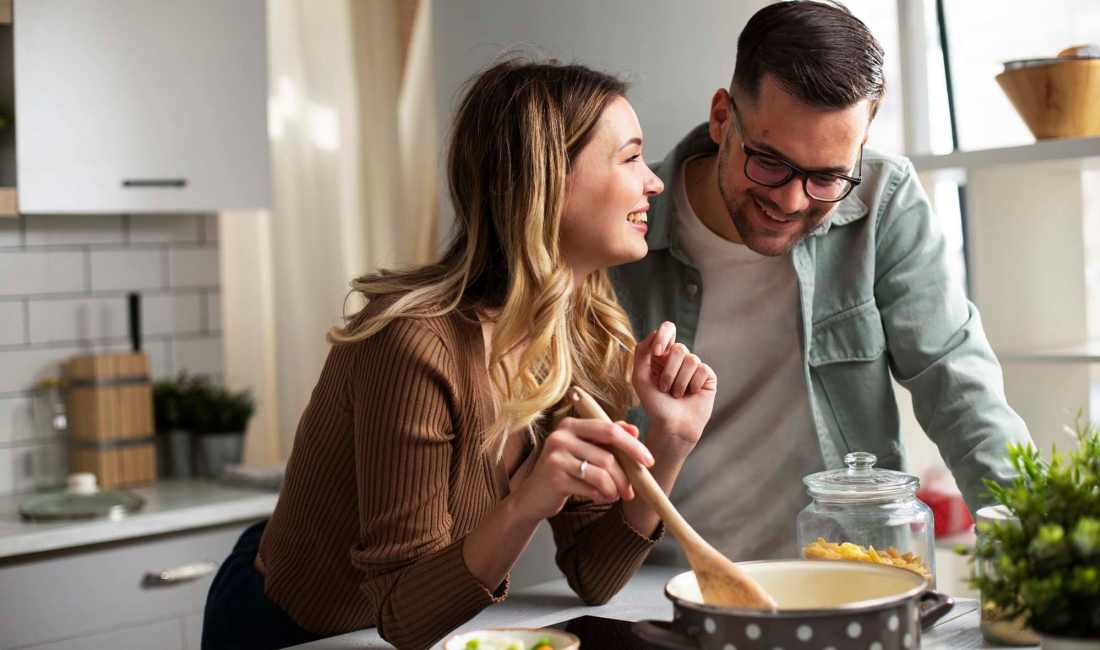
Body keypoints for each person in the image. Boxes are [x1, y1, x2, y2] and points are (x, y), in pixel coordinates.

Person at [202, 59, 718, 650]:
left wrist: (669, 443)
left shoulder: (580, 333)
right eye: (630, 157)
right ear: (547, 180)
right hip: (289, 632)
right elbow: (403, 617)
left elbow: (594, 577)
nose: (653, 181)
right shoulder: (412, 344)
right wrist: (527, 502)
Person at [610, 0, 1033, 565]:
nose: (790, 201)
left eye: (828, 176)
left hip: (849, 575)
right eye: (768, 162)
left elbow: (958, 382)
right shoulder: (624, 222)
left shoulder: (883, 197)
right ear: (721, 118)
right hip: (665, 585)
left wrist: (1034, 551)